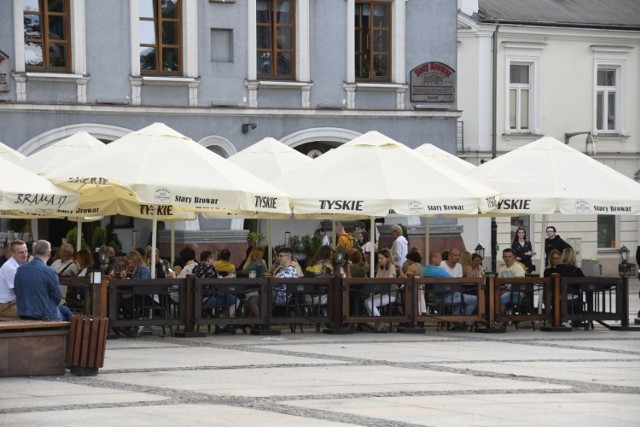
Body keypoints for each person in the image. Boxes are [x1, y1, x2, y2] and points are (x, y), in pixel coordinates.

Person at [14, 240, 72, 321]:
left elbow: (17, 290)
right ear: (49, 253)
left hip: (23, 312)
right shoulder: (49, 271)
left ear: (33, 252)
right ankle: (71, 333)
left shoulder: (20, 269)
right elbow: (58, 296)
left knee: (65, 310)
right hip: (44, 315)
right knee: (67, 313)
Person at [423, 250, 477, 326]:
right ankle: (465, 321)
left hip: (434, 298)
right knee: (474, 299)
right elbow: (453, 280)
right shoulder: (439, 270)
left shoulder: (425, 270)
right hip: (445, 297)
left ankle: (457, 320)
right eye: (439, 258)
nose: (441, 260)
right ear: (433, 258)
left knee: (457, 295)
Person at [193, 250, 238, 333]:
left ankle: (222, 323)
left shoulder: (196, 268)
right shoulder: (210, 268)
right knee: (235, 300)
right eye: (212, 258)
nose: (213, 260)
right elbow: (220, 280)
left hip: (197, 298)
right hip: (208, 298)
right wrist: (229, 277)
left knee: (226, 298)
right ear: (209, 259)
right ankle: (223, 324)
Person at [363, 248, 399, 332]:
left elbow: (388, 280)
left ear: (387, 259)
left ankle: (379, 322)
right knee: (367, 301)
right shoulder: (380, 268)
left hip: (391, 293)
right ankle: (376, 322)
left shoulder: (392, 267)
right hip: (383, 292)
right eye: (378, 258)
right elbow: (377, 279)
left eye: (381, 258)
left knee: (371, 303)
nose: (379, 260)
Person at [0, 240, 29, 317]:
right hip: (5, 306)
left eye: (26, 251)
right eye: (21, 252)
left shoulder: (18, 265)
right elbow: (20, 291)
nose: (25, 254)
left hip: (11, 303)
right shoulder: (10, 268)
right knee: (34, 312)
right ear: (12, 254)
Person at [497, 248, 526, 313]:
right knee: (491, 297)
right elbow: (498, 283)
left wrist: (504, 290)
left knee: (500, 298)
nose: (507, 259)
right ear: (502, 257)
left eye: (509, 256)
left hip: (517, 293)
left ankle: (502, 319)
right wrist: (502, 289)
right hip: (506, 291)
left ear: (514, 257)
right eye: (505, 257)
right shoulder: (501, 269)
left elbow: (519, 285)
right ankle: (499, 317)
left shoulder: (518, 267)